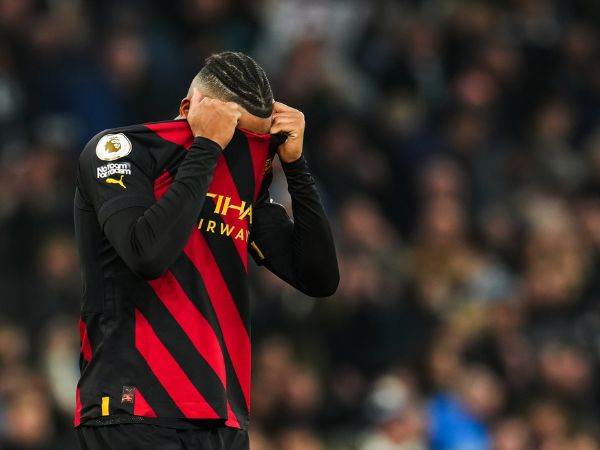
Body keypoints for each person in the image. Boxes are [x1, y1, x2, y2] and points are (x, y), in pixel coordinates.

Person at [73, 51, 339, 450]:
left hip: (223, 416)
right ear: (189, 108)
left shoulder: (244, 180)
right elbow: (148, 254)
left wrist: (296, 167)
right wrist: (207, 146)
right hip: (132, 406)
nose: (241, 152)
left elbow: (319, 279)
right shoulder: (121, 150)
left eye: (253, 141)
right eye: (232, 134)